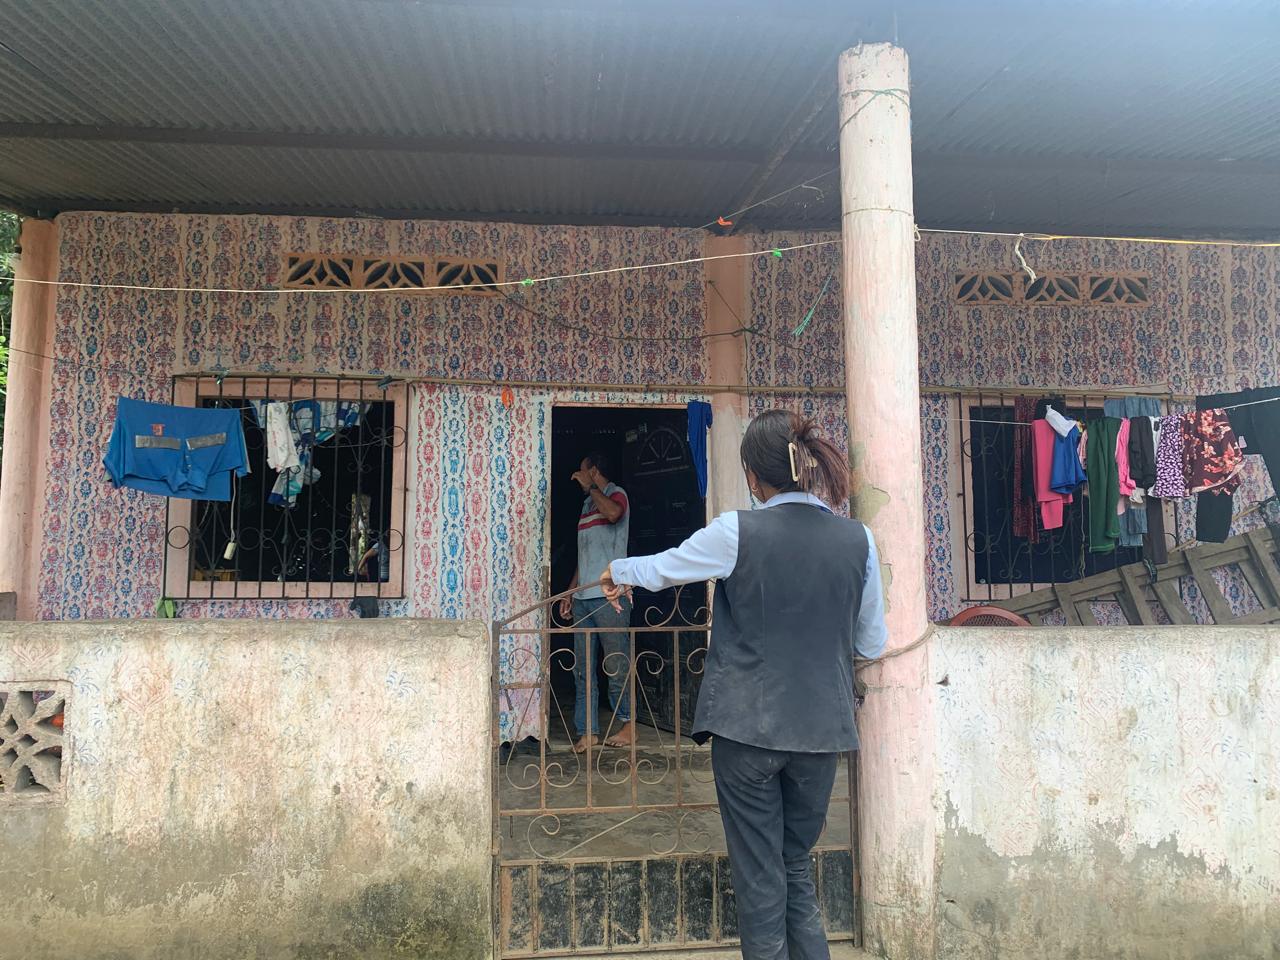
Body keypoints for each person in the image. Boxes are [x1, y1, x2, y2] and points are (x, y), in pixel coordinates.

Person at [600, 410, 887, 960]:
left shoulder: (738, 531)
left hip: (747, 732)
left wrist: (619, 569)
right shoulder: (860, 541)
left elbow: (668, 567)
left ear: (754, 477)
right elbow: (871, 643)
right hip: (821, 735)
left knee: (760, 876)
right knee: (793, 864)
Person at [557, 451, 634, 753]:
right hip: (584, 598)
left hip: (611, 597)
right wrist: (570, 591)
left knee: (616, 663)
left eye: (582, 471)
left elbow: (614, 514)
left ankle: (627, 725)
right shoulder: (587, 505)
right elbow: (585, 556)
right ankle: (587, 731)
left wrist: (590, 488)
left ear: (594, 472)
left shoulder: (615, 494)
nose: (577, 476)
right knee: (583, 669)